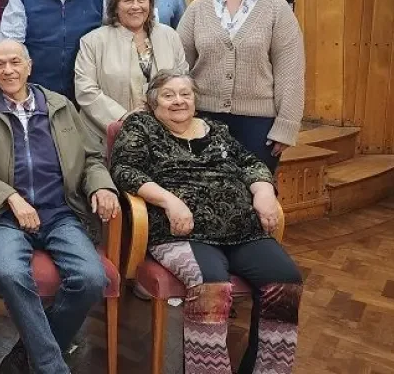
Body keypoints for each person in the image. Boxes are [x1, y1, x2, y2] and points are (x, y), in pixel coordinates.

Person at [110, 70, 302, 374]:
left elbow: (251, 163)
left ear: (195, 99)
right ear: (153, 102)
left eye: (185, 94)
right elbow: (125, 170)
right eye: (168, 95)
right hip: (180, 231)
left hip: (243, 229)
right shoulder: (141, 126)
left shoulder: (216, 129)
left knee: (285, 281)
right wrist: (170, 201)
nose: (178, 101)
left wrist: (264, 192)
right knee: (211, 285)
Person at [0, 39, 120, 374]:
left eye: (15, 62)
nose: (8, 70)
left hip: (60, 213)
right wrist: (11, 198)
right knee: (10, 273)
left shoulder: (60, 105)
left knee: (91, 278)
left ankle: (27, 353)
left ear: (29, 66)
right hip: (5, 216)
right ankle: (51, 366)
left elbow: (90, 157)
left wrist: (102, 185)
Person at [177, 0, 304, 172]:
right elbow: (178, 66)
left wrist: (286, 126)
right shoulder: (197, 9)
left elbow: (291, 72)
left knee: (256, 189)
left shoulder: (276, 9)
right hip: (202, 119)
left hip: (258, 125)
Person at [75, 0, 187, 150]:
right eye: (128, 0)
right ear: (115, 7)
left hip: (164, 139)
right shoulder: (92, 42)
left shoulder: (170, 36)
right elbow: (85, 90)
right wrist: (125, 118)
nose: (136, 6)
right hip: (106, 141)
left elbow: (182, 82)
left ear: (150, 4)